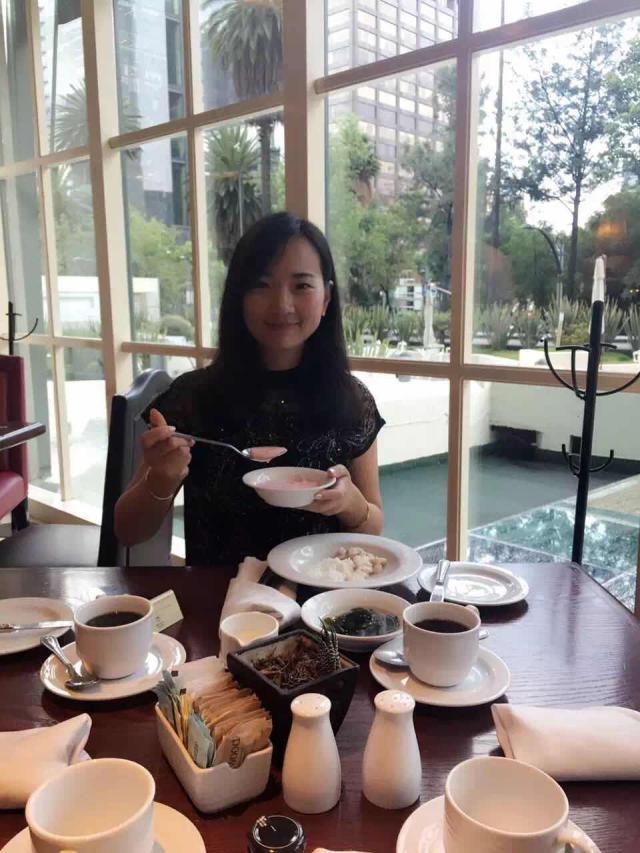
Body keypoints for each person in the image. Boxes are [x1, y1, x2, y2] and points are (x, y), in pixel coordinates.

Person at [115, 212, 385, 564]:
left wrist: (351, 503)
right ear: (238, 297)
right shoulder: (193, 397)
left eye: (302, 286)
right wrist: (161, 479)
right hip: (220, 596)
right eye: (261, 284)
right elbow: (128, 531)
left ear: (327, 299)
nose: (281, 305)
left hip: (323, 597)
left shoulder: (352, 401)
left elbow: (373, 528)